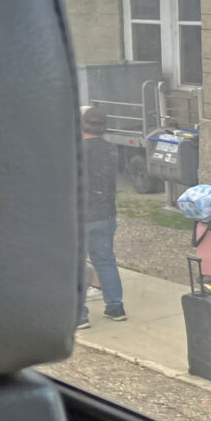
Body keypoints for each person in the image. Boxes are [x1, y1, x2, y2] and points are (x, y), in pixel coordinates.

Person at [78, 105, 125, 328]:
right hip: (106, 214)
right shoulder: (111, 149)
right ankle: (115, 308)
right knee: (105, 261)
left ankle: (80, 316)